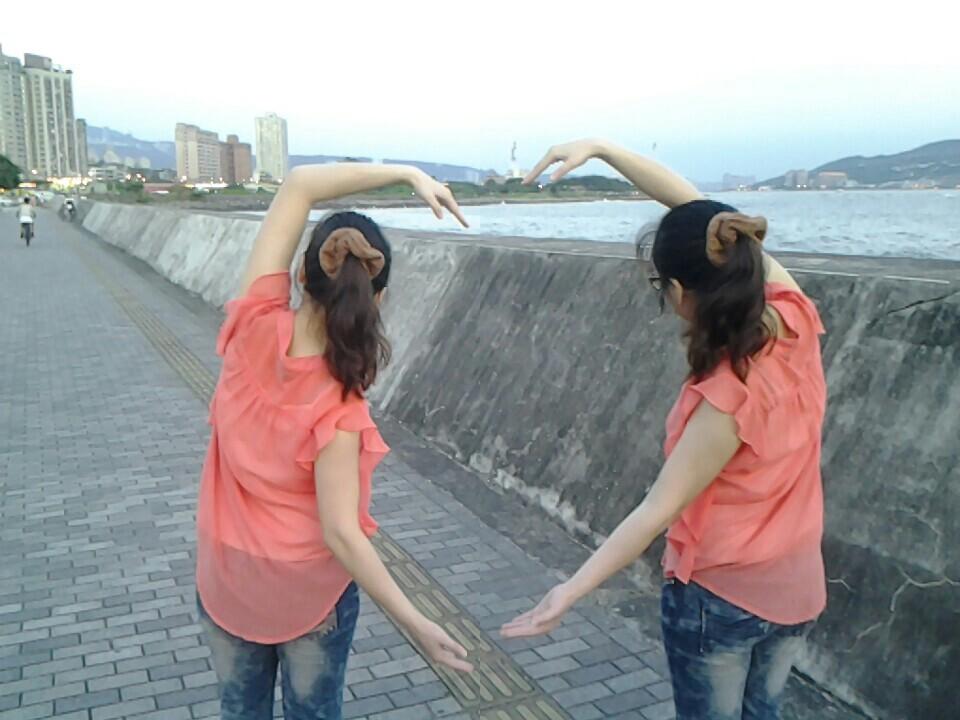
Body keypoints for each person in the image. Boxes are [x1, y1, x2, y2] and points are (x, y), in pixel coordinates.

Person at [501, 139, 826, 720]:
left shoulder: (728, 395)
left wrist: (568, 591)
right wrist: (602, 149)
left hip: (721, 599)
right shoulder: (795, 317)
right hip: (799, 588)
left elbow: (656, 510)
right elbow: (699, 210)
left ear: (678, 293)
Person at [196, 162, 474, 720]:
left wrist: (407, 174)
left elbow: (299, 185)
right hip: (308, 596)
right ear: (378, 300)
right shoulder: (339, 406)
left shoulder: (251, 325)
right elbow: (342, 534)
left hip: (227, 578)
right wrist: (417, 622)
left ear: (302, 275)